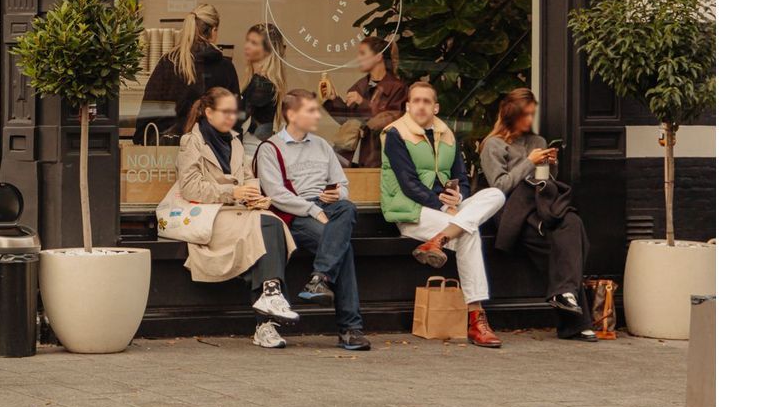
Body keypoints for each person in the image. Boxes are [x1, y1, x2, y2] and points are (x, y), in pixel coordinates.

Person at [157, 87, 298, 349]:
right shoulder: (192, 141)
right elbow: (191, 188)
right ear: (208, 112)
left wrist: (255, 196)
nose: (232, 117)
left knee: (271, 224)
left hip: (237, 212)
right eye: (226, 112)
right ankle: (268, 309)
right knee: (267, 225)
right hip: (210, 213)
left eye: (235, 112)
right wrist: (232, 192)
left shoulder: (234, 140)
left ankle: (268, 308)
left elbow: (246, 178)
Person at [380, 81, 506, 348]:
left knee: (495, 194)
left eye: (427, 101)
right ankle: (476, 317)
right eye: (416, 101)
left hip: (448, 213)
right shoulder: (395, 134)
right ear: (408, 106)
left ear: (435, 107)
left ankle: (439, 240)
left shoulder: (447, 135)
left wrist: (457, 197)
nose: (421, 106)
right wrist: (441, 205)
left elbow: (460, 175)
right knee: (470, 232)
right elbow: (408, 183)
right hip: (413, 212)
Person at [253, 89, 371, 351]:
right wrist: (311, 209)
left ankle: (320, 278)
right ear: (292, 114)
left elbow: (342, 184)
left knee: (347, 207)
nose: (318, 114)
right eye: (311, 110)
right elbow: (276, 194)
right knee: (344, 247)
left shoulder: (322, 145)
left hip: (329, 209)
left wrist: (336, 194)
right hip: (296, 213)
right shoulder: (270, 148)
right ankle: (350, 328)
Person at [480, 89, 597, 342]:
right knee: (568, 246)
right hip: (514, 213)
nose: (530, 120)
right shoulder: (493, 145)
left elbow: (544, 183)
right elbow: (499, 187)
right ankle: (574, 324)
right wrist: (529, 162)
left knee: (573, 224)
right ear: (511, 115)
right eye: (525, 115)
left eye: (532, 114)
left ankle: (563, 296)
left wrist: (548, 166)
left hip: (542, 207)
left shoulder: (538, 141)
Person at [133, 3, 243, 143]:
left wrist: (141, 139)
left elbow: (149, 109)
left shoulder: (169, 63)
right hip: (212, 151)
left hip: (169, 150)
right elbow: (234, 116)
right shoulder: (225, 67)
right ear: (214, 31)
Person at [318, 36, 408, 170]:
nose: (358, 58)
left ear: (378, 56)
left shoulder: (397, 88)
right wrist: (333, 100)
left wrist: (362, 102)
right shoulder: (360, 86)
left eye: (363, 53)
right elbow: (347, 121)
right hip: (352, 158)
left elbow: (390, 121)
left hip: (381, 158)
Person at [239, 23, 287, 150]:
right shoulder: (258, 81)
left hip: (253, 149)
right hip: (253, 146)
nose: (247, 46)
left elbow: (239, 117)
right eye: (248, 41)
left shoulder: (263, 85)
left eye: (254, 43)